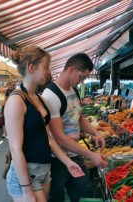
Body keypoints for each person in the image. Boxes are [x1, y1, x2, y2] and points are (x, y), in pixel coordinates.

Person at [5, 46, 85, 202]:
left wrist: (68, 162)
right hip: (27, 175)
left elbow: (48, 139)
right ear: (32, 68)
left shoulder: (40, 99)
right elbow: (15, 149)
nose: (48, 72)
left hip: (44, 171)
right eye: (45, 67)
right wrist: (26, 188)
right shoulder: (16, 100)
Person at [42, 53, 108, 202]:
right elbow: (59, 136)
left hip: (74, 153)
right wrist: (91, 155)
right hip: (57, 159)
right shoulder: (51, 95)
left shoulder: (74, 90)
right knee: (56, 197)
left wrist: (95, 132)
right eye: (81, 77)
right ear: (71, 69)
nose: (82, 81)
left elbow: (78, 117)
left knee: (84, 193)